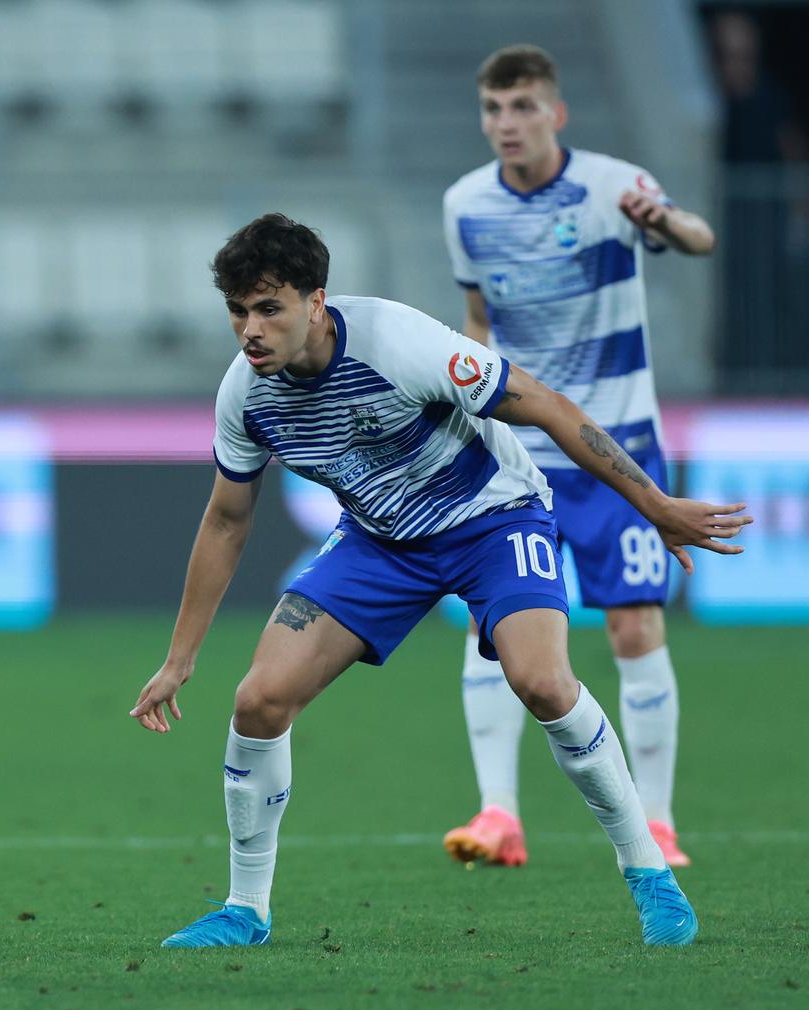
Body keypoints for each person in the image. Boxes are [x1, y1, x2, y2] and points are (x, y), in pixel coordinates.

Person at [129, 213, 748, 950]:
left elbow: (545, 404)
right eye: (238, 311)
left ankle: (648, 870)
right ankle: (245, 909)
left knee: (544, 683)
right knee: (259, 700)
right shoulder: (246, 397)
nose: (250, 330)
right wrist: (179, 658)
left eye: (269, 308)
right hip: (381, 540)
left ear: (315, 302)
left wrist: (656, 505)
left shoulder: (402, 346)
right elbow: (227, 520)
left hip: (494, 518)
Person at [441, 45, 716, 870]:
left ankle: (659, 822)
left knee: (634, 623)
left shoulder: (610, 185)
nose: (506, 124)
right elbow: (478, 320)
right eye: (494, 109)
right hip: (519, 448)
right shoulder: (465, 205)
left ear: (556, 113)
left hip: (619, 441)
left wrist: (661, 218)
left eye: (522, 107)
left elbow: (699, 238)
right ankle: (498, 813)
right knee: (496, 624)